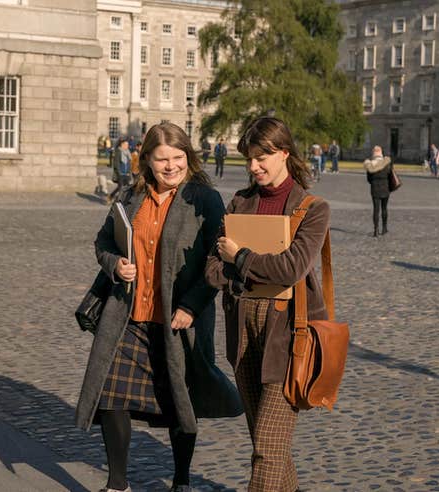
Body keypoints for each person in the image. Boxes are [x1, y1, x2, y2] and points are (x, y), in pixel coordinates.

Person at [74, 123, 243, 492]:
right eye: (162, 159)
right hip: (127, 316)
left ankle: (181, 480)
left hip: (179, 319)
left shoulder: (204, 199)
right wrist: (115, 264)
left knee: (179, 401)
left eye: (178, 158)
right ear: (146, 160)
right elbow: (104, 241)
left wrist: (192, 306)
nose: (171, 167)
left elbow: (217, 264)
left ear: (189, 157)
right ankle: (117, 484)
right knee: (111, 395)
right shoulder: (130, 195)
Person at [205, 117, 331, 492]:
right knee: (270, 445)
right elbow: (212, 270)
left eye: (262, 157)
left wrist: (241, 258)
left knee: (267, 448)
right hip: (243, 331)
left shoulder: (312, 208)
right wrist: (249, 272)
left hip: (290, 336)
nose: (253, 167)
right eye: (249, 159)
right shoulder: (240, 202)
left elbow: (291, 268)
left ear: (285, 153)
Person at [364, 145, 393, 236]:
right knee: (384, 208)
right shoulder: (387, 163)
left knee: (376, 209)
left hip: (375, 188)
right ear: (381, 153)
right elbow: (390, 176)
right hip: (385, 188)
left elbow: (368, 179)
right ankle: (384, 228)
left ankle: (376, 230)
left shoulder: (370, 165)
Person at [108, 138, 132, 204]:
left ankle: (112, 196)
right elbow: (116, 163)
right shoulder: (118, 151)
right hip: (120, 173)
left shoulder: (127, 152)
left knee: (126, 187)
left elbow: (129, 163)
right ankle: (118, 201)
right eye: (126, 144)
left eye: (128, 144)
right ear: (122, 145)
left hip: (126, 173)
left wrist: (129, 172)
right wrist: (119, 173)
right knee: (121, 187)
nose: (127, 146)